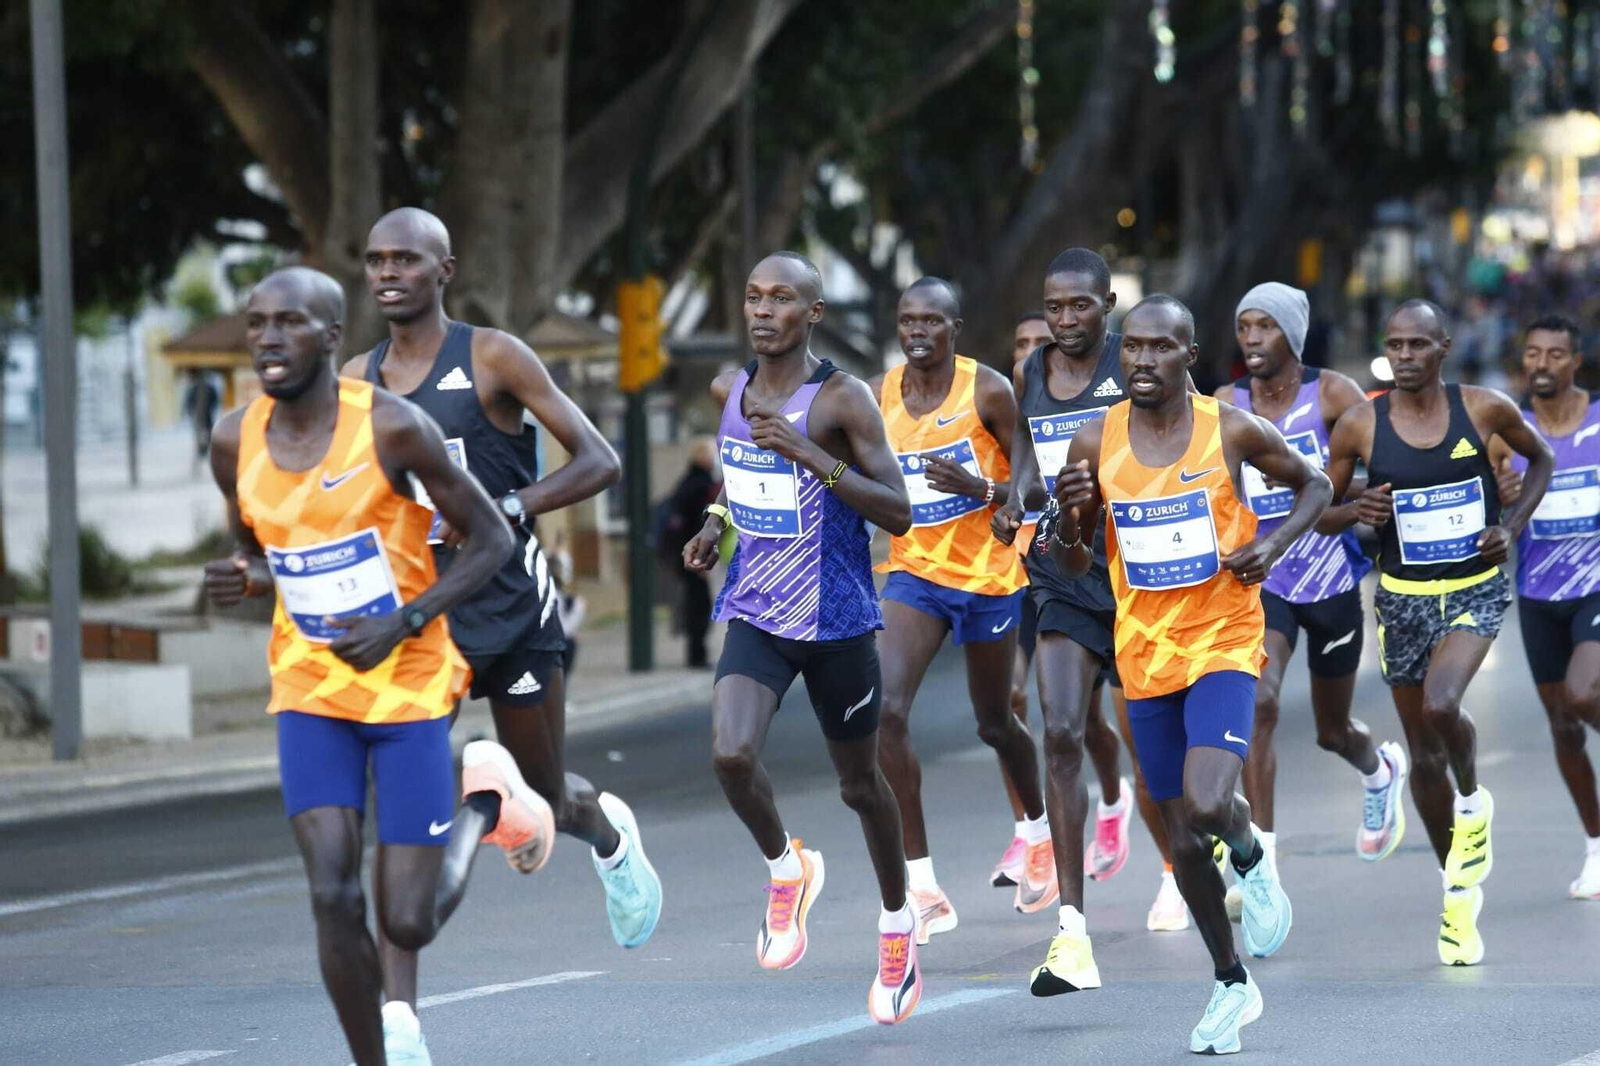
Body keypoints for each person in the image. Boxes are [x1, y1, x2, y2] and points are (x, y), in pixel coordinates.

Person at [342, 208, 661, 1057]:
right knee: (405, 820)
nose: (387, 273)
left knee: (552, 799)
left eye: (406, 258)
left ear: (445, 268)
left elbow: (600, 459)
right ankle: (400, 1021)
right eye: (375, 260)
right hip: (418, 627)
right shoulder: (355, 382)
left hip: (513, 613)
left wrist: (509, 506)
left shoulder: (491, 357)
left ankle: (609, 837)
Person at [203, 267, 517, 1066]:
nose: (269, 339)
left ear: (332, 335)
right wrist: (238, 577)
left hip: (408, 680)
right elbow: (256, 551)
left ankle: (484, 804)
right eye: (258, 323)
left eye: (290, 323)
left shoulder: (391, 428)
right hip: (309, 687)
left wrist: (405, 619)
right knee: (330, 893)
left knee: (405, 921)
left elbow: (491, 541)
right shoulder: (234, 437)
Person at [1052, 294, 1326, 1054]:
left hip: (1225, 642)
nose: (1141, 361)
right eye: (1131, 348)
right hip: (1142, 656)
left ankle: (1250, 852)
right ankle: (1230, 982)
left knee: (1208, 804)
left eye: (1159, 348)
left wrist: (1272, 549)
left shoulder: (1229, 428)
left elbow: (1317, 487)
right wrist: (1072, 521)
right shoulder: (1092, 439)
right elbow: (1073, 564)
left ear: (1189, 356)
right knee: (1179, 834)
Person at [682, 251, 920, 1025]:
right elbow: (740, 464)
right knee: (729, 754)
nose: (763, 309)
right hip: (756, 607)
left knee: (859, 786)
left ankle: (896, 922)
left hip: (837, 617)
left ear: (812, 313)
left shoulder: (843, 400)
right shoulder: (729, 388)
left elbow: (898, 510)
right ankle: (788, 869)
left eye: (782, 298)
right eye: (753, 295)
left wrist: (814, 456)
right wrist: (716, 522)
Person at [1322, 299, 1553, 965]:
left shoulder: (1482, 409)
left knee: (1441, 704)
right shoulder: (1361, 424)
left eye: (1417, 344)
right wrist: (1352, 509)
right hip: (1402, 600)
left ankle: (1475, 799)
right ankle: (1455, 893)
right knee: (1423, 755)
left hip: (1473, 591)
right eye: (1394, 344)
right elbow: (1320, 509)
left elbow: (1540, 464)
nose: (1403, 356)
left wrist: (1508, 530)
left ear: (1443, 348)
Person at [1213, 283, 1407, 917]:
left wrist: (1351, 511)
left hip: (1332, 582)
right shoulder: (1224, 404)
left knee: (1330, 730)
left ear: (1291, 335)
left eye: (1265, 326)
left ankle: (1378, 767)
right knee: (1261, 703)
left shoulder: (1331, 396)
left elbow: (1383, 476)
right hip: (1262, 582)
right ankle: (1260, 865)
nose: (1251, 338)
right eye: (1244, 326)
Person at [868, 278, 1044, 945]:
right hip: (914, 573)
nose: (916, 333)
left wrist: (999, 497)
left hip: (989, 578)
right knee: (885, 709)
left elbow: (1028, 468)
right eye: (907, 320)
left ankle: (1036, 830)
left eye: (930, 323)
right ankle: (922, 885)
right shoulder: (881, 393)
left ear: (954, 328)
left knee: (997, 721)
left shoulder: (987, 389)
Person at [995, 305, 1181, 936]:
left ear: (1107, 310)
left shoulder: (1135, 362)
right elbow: (1024, 435)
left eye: (1081, 306)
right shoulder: (1033, 371)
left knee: (1152, 753)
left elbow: (1192, 438)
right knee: (1061, 732)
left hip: (1138, 576)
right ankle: (1071, 923)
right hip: (1062, 567)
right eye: (1054, 306)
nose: (1065, 318)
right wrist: (1018, 493)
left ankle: (1180, 870)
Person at [1485, 313, 1600, 899]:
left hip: (1596, 589)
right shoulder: (1510, 432)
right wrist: (1501, 497)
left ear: (1576, 361)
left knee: (1584, 695)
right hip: (1536, 595)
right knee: (1562, 724)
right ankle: (1596, 844)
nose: (1543, 365)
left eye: (1556, 354)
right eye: (1533, 354)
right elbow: (1485, 511)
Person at [662, 438, 722, 667]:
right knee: (699, 606)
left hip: (685, 553)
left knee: (696, 604)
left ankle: (696, 654)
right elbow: (700, 525)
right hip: (693, 554)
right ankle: (697, 656)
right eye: (712, 454)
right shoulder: (701, 485)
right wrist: (701, 557)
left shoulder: (688, 481)